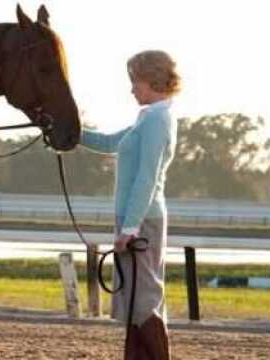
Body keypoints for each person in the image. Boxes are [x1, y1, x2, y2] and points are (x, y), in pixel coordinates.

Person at [79, 50, 181, 359]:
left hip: (142, 220)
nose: (132, 88)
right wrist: (69, 134)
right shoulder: (147, 117)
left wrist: (131, 227)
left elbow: (146, 178)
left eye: (134, 81)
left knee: (144, 303)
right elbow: (110, 143)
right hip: (134, 218)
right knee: (134, 304)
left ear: (151, 79)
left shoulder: (158, 119)